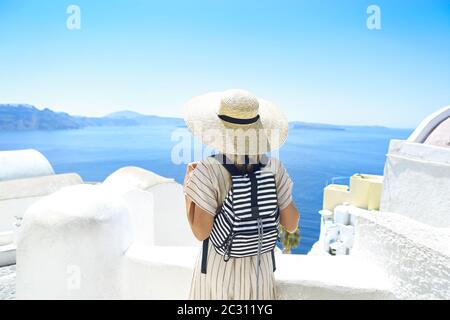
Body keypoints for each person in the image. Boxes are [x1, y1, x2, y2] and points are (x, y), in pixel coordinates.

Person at [183, 89, 299, 299]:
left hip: (218, 272)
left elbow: (201, 232)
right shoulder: (274, 167)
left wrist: (188, 189)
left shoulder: (208, 170)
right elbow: (291, 223)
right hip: (260, 274)